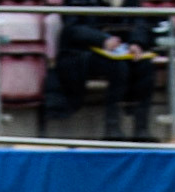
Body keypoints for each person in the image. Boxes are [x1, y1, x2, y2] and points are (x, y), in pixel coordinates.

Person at [49, 0, 163, 141]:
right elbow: (72, 29)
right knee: (118, 66)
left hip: (120, 51)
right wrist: (102, 39)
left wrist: (136, 43)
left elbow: (140, 23)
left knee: (145, 65)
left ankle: (141, 129)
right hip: (81, 53)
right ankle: (112, 128)